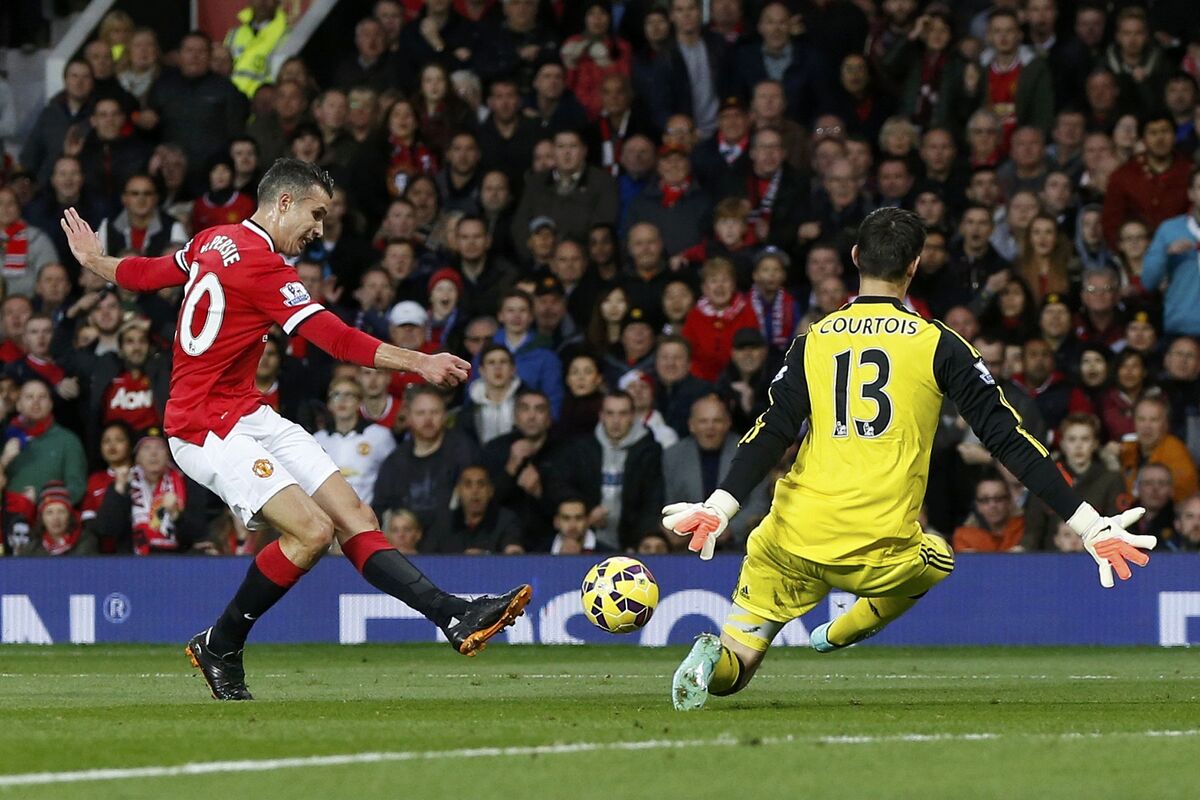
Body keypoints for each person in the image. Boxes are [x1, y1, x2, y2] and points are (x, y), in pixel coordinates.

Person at [60, 158, 530, 701]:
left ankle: (452, 615)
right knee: (311, 533)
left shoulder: (214, 240)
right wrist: (418, 361)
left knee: (356, 517)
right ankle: (222, 643)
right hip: (204, 427)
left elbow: (148, 273)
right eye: (316, 213)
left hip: (247, 412)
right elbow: (335, 339)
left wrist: (95, 260)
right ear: (284, 203)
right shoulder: (264, 267)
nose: (319, 229)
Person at [662, 207, 1155, 712]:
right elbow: (1008, 439)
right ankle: (843, 631)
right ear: (915, 266)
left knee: (738, 666)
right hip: (877, 549)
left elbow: (772, 430)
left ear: (856, 257)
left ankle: (711, 661)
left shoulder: (813, 340)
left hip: (790, 535)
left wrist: (719, 505)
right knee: (937, 556)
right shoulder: (938, 344)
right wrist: (1088, 524)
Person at [313, 378, 396, 507]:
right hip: (328, 513)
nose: (342, 401)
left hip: (367, 512)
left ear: (359, 402)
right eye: (336, 395)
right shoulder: (317, 439)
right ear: (329, 403)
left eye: (349, 395)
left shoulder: (379, 436)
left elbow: (393, 476)